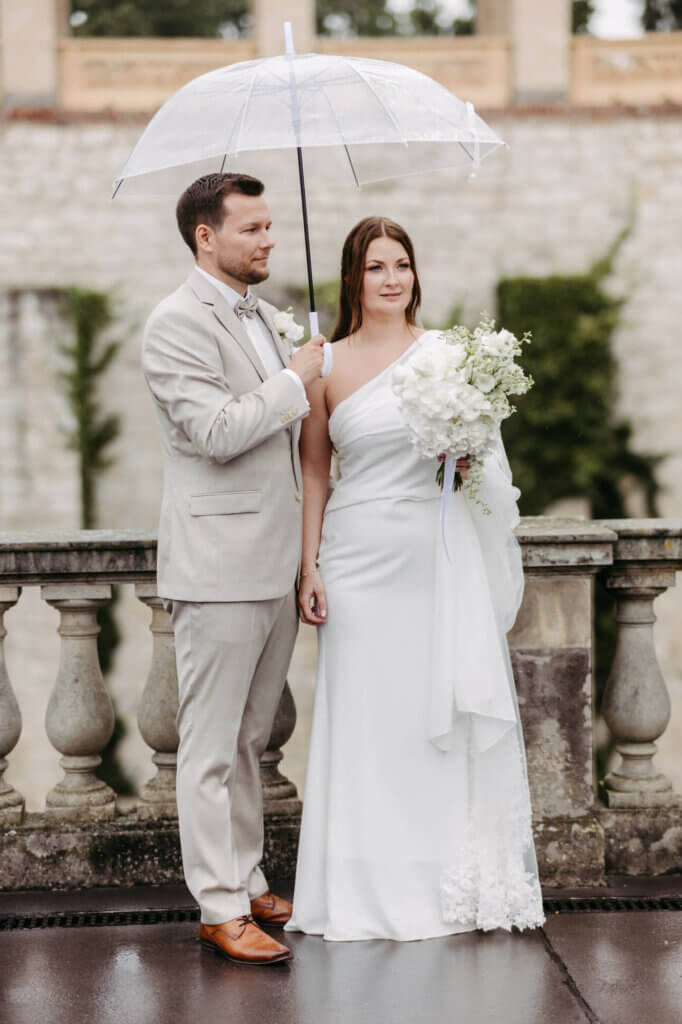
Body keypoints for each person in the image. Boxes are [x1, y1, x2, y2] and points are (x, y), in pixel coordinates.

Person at [286, 216, 544, 941]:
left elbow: (482, 464)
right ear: (353, 278)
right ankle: (362, 884)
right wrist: (309, 565)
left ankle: (435, 880)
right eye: (376, 266)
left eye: (401, 264)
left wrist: (463, 454)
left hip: (432, 559)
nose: (391, 278)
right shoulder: (323, 365)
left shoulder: (446, 356)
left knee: (431, 721)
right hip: (355, 561)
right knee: (367, 720)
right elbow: (315, 471)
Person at [142, 172, 325, 965]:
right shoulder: (175, 323)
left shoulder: (262, 316)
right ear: (205, 236)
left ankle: (247, 879)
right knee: (211, 746)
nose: (268, 239)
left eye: (270, 226)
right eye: (252, 228)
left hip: (274, 563)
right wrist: (294, 380)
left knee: (251, 738)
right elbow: (215, 432)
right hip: (217, 568)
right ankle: (219, 908)